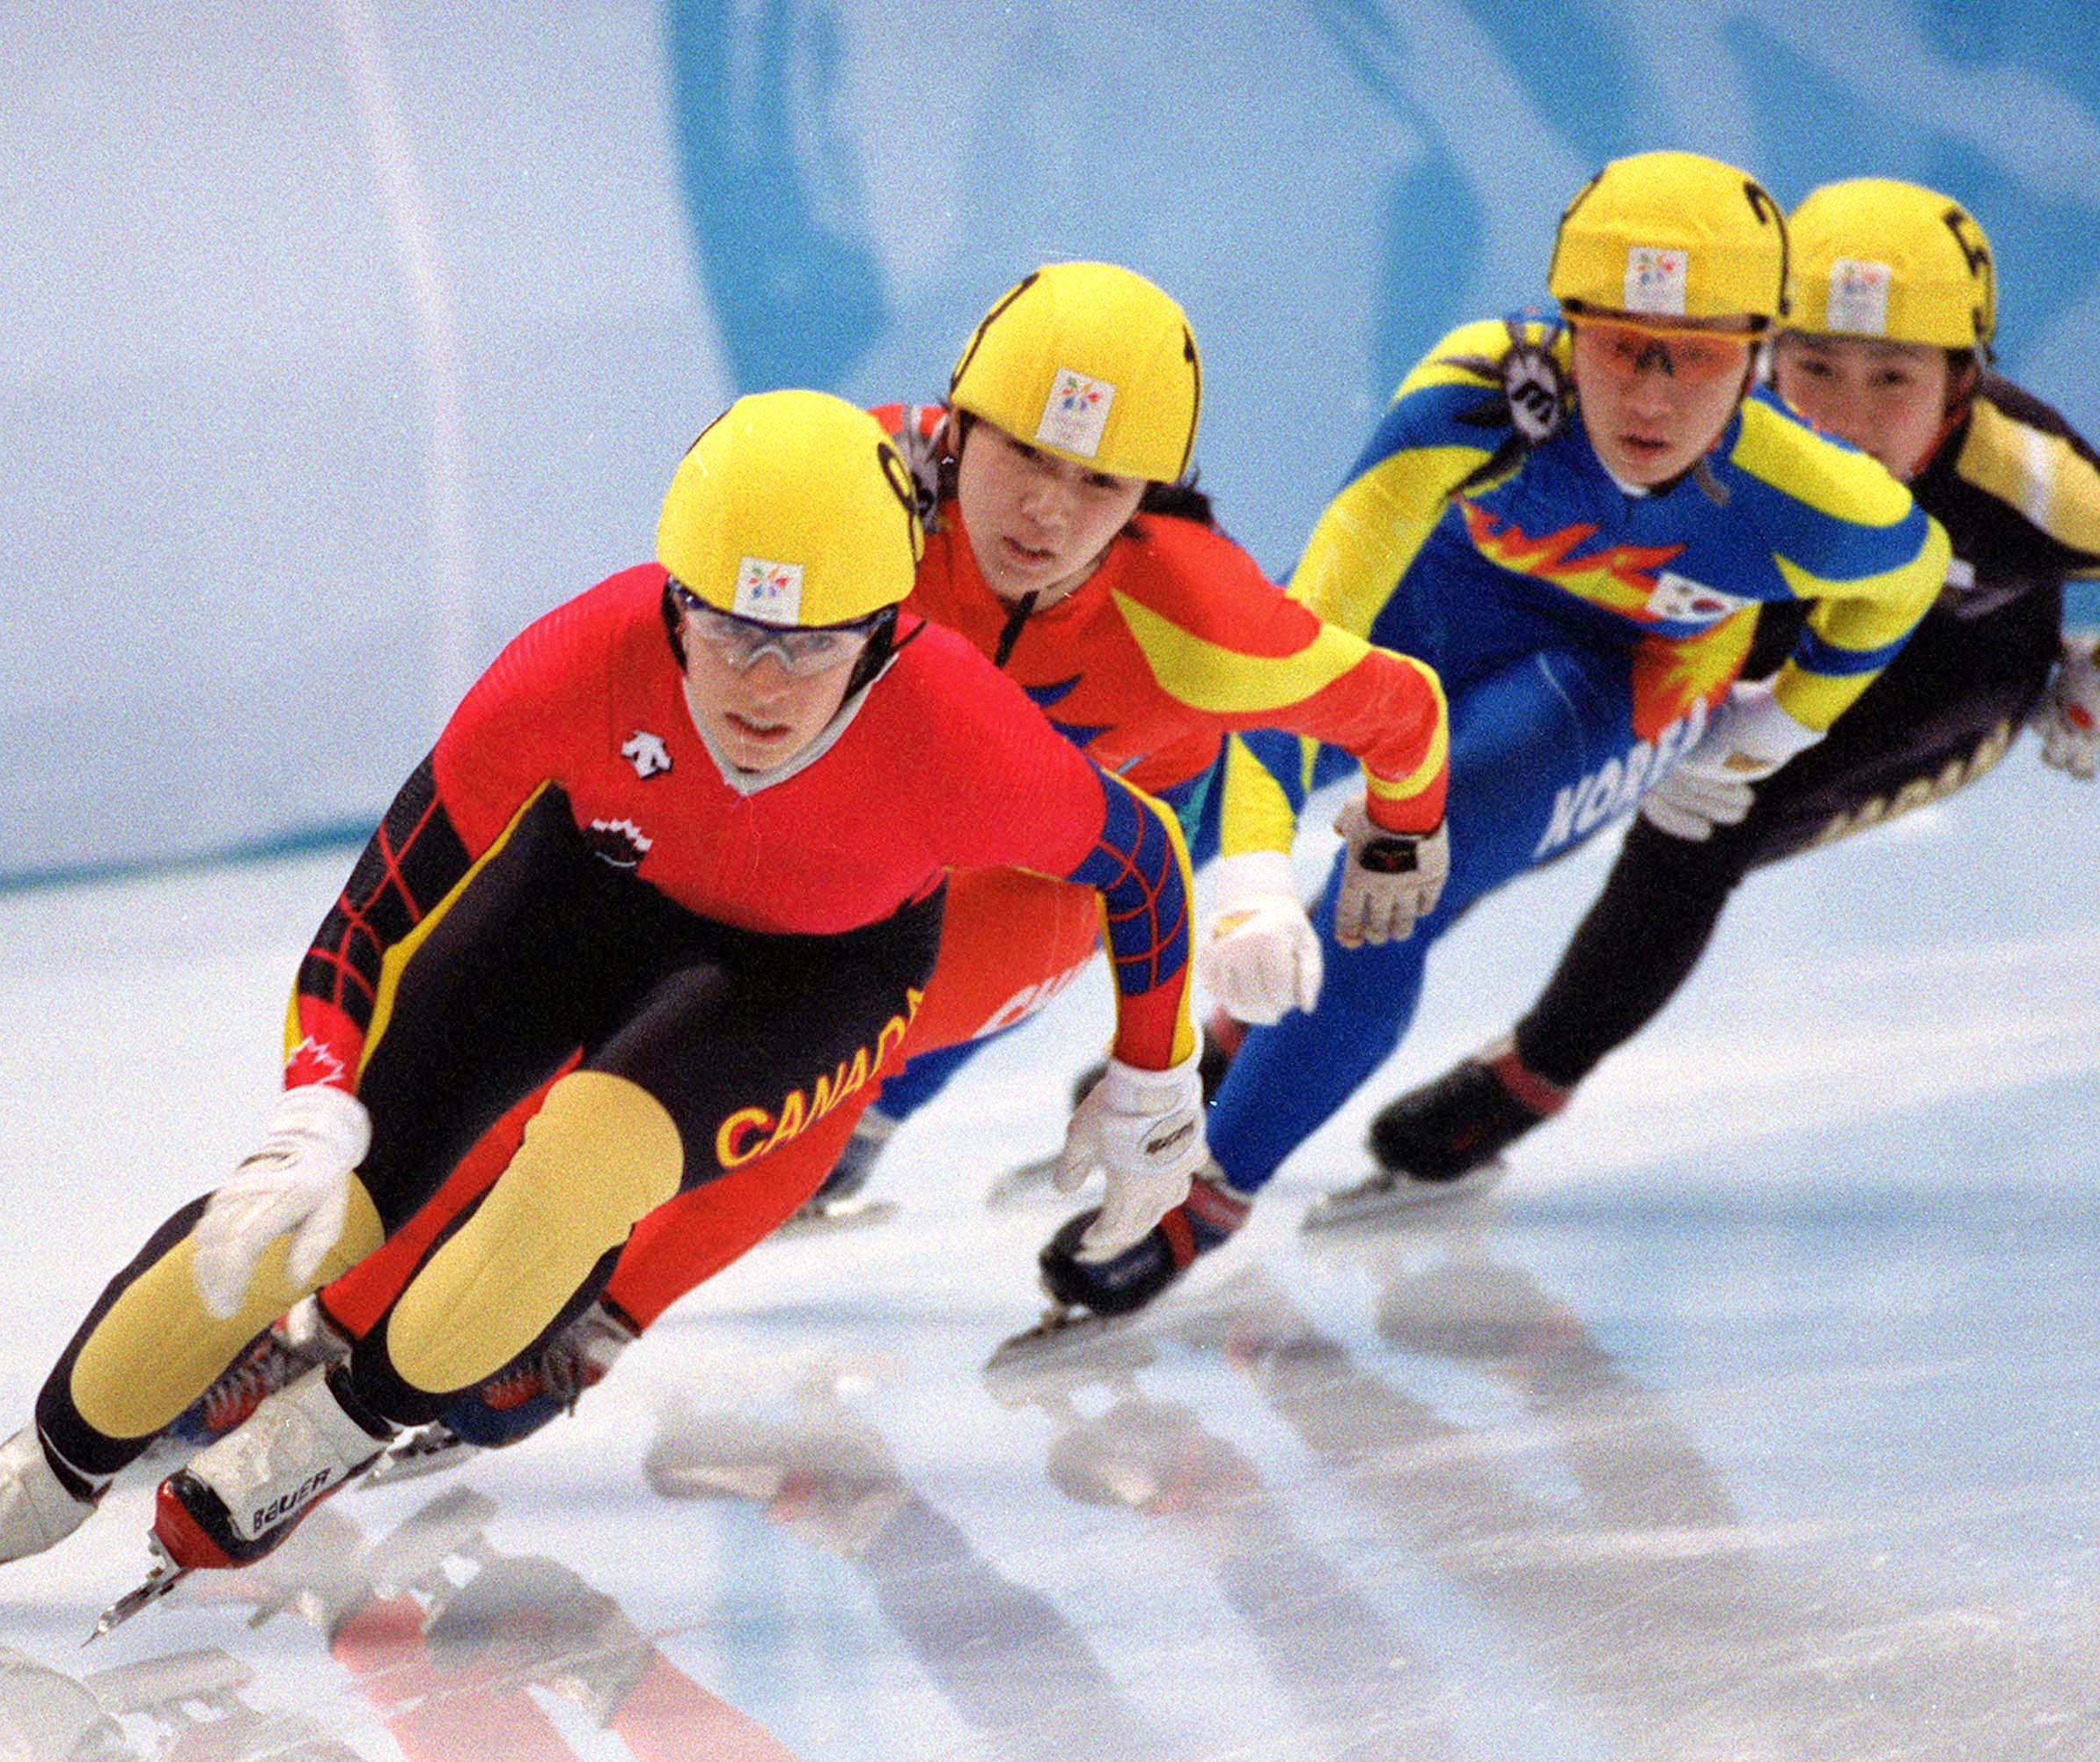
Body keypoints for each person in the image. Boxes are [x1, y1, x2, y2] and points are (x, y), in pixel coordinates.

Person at [0, 388, 1215, 1611]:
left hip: (812, 968)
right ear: (672, 598)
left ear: (887, 635)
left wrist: (1154, 1078)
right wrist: (310, 1099)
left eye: (812, 646)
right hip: (584, 895)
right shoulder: (578, 661)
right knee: (323, 1200)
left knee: (581, 1166)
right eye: (726, 631)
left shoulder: (960, 730)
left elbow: (1147, 862)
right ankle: (40, 1476)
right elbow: (376, 906)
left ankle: (343, 1423)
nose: (762, 685)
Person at [174, 260, 1457, 1467]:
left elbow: (1402, 710)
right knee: (565, 1018)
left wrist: (1403, 827)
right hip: (834, 808)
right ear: (954, 429)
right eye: (1022, 452)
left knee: (838, 1039)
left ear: (1150, 505)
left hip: (1037, 872)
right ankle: (316, 1320)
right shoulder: (855, 488)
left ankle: (600, 1320)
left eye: (1101, 486)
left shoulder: (1202, 612)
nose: (1047, 511)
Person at [1038, 151, 1954, 1313]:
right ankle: (884, 1103)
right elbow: (1297, 640)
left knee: (1389, 885)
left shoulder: (1817, 499)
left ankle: (1201, 1204)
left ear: (1759, 357)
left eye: (1702, 359)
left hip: (1619, 680)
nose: (1653, 401)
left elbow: (1908, 579)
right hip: (1447, 601)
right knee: (1159, 784)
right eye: (1620, 348)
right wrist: (1257, 870)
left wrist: (1782, 721)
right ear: (1566, 331)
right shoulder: (1476, 389)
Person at [1356, 177, 2100, 1198]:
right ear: (1761, 355)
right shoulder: (1716, 402)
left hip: (1948, 681)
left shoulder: (2038, 490)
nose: (1847, 417)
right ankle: (1290, 1005)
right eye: (1815, 369)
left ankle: (1530, 1080)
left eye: (1893, 380)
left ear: (1965, 384)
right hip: (1758, 624)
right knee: (1544, 774)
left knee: (1701, 827)